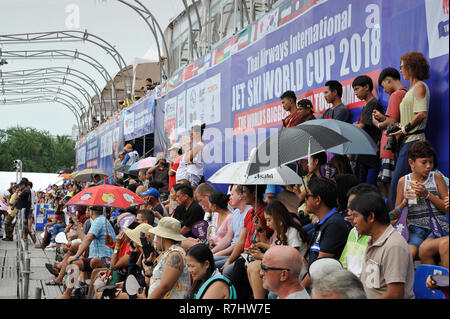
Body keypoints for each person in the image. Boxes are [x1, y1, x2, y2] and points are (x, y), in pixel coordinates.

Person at [350, 191, 415, 299]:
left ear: (371, 217)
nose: (354, 222)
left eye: (356, 216)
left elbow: (395, 295)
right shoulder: (373, 240)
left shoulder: (394, 246)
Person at [392, 141, 449, 260]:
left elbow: (446, 208)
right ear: (411, 163)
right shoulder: (403, 181)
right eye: (424, 162)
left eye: (431, 162)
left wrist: (427, 194)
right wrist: (404, 202)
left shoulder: (436, 178)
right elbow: (395, 215)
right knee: (409, 252)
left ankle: (434, 278)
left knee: (425, 248)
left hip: (438, 226)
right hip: (415, 228)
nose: (429, 166)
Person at [389, 51, 430, 209]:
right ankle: (406, 219)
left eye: (402, 66)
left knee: (398, 182)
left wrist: (404, 130)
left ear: (411, 67)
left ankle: (397, 219)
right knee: (409, 184)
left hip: (414, 141)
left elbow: (421, 113)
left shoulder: (419, 86)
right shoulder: (412, 89)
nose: (401, 70)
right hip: (408, 140)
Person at [246, 199, 309, 299]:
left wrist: (262, 256)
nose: (267, 224)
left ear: (279, 217)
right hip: (283, 271)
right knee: (251, 266)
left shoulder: (292, 232)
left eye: (269, 220)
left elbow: (291, 259)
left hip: (295, 274)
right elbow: (275, 249)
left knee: (256, 267)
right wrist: (260, 244)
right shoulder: (280, 232)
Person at [300, 177, 349, 290]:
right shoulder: (325, 221)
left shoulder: (334, 224)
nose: (304, 200)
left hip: (325, 288)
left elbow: (319, 269)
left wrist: (298, 291)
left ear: (317, 200)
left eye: (307, 196)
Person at [58, 205, 116, 299]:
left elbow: (88, 239)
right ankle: (68, 291)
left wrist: (76, 256)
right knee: (75, 261)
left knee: (74, 262)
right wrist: (77, 228)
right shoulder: (101, 220)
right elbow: (86, 239)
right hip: (98, 257)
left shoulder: (99, 221)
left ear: (91, 212)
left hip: (105, 259)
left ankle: (67, 294)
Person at [372, 67, 407, 206]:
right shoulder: (405, 93)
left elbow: (392, 122)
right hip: (395, 146)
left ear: (388, 80)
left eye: (383, 86)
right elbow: (396, 120)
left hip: (391, 148)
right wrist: (383, 117)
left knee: (388, 182)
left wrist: (378, 124)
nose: (384, 90)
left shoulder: (396, 95)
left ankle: (392, 213)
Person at [138, 217, 191, 299]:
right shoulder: (167, 253)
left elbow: (165, 286)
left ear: (163, 237)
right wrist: (148, 264)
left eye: (157, 236)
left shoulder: (175, 254)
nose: (155, 240)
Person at [339, 183, 379, 277]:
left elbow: (371, 282)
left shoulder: (379, 239)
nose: (349, 213)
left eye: (353, 209)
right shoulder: (353, 231)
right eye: (348, 208)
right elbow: (344, 266)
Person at [352, 75, 383, 183]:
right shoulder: (366, 105)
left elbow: (362, 126)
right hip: (362, 150)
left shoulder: (373, 103)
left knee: (361, 182)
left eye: (357, 89)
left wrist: (355, 125)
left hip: (368, 148)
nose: (355, 93)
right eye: (354, 90)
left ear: (366, 87)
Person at [212, 184, 252, 269]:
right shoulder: (236, 212)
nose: (229, 197)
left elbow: (240, 243)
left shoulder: (249, 212)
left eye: (232, 194)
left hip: (240, 254)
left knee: (210, 264)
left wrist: (218, 254)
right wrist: (212, 252)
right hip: (231, 251)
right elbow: (228, 238)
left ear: (240, 196)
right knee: (207, 259)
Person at [185, 124, 206, 188]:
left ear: (197, 134)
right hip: (197, 173)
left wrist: (187, 147)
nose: (190, 136)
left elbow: (186, 159)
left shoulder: (198, 145)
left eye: (192, 134)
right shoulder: (203, 144)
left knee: (191, 192)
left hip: (193, 173)